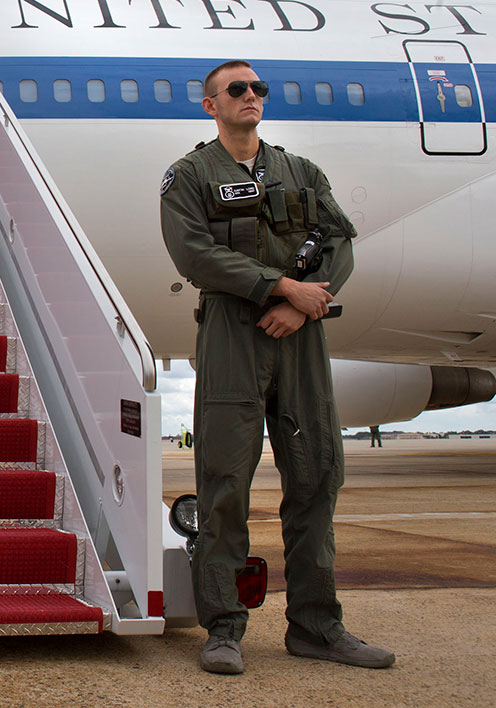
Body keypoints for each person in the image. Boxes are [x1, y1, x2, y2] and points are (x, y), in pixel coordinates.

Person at [159, 60, 394, 675]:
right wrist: (281, 287)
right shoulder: (190, 175)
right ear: (211, 105)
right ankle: (223, 628)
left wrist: (301, 304)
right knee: (225, 484)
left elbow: (338, 241)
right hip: (232, 333)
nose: (251, 95)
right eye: (237, 89)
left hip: (300, 334)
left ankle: (317, 626)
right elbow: (193, 254)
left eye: (257, 88)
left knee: (317, 477)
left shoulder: (301, 171)